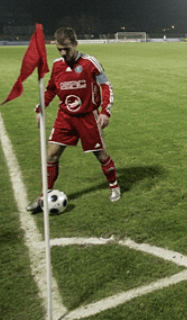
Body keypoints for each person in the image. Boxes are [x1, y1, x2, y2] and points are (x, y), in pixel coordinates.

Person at [27, 27, 120, 212]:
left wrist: (105, 112)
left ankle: (114, 186)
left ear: (76, 44)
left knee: (101, 155)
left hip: (87, 117)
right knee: (51, 155)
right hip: (65, 117)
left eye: (66, 49)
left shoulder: (90, 62)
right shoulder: (57, 65)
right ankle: (44, 196)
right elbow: (51, 89)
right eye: (59, 49)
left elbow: (106, 86)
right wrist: (40, 108)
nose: (63, 53)